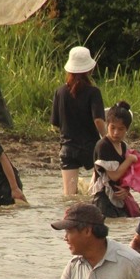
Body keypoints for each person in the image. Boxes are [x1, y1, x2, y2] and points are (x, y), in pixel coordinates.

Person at [51, 46, 105, 196]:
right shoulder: (93, 92)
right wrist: (107, 139)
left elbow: (55, 123)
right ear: (89, 70)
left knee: (69, 196)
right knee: (95, 192)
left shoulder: (60, 92)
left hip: (67, 148)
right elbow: (99, 120)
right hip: (91, 149)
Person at [90, 101, 140, 218]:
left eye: (121, 129)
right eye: (112, 128)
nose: (116, 133)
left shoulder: (123, 146)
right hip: (103, 199)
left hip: (118, 198)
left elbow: (126, 174)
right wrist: (130, 160)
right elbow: (114, 176)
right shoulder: (103, 145)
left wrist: (126, 190)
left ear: (127, 129)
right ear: (107, 125)